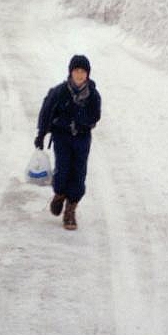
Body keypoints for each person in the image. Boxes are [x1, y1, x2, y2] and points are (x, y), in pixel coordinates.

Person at [35, 54, 101, 230]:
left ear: (87, 74)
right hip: (62, 137)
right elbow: (46, 112)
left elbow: (95, 116)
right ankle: (59, 193)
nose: (79, 75)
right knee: (63, 169)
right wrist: (41, 134)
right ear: (70, 73)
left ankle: (70, 209)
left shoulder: (93, 95)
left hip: (82, 138)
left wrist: (81, 120)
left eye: (83, 72)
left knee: (78, 173)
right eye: (76, 71)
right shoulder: (59, 92)